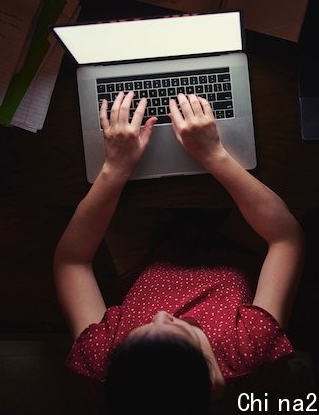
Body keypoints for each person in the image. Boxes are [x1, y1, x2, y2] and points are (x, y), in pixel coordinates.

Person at [53, 91, 305, 414]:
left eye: (136, 332)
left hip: (147, 258)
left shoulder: (103, 363)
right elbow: (286, 238)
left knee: (90, 180)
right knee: (297, 178)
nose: (160, 314)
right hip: (236, 249)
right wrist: (214, 155)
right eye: (179, 329)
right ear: (214, 382)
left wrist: (115, 169)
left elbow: (72, 261)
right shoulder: (247, 352)